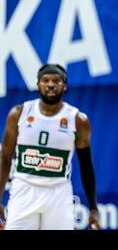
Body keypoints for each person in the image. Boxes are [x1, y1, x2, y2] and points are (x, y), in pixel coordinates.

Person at [0, 64, 99, 230]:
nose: (51, 84)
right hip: (24, 190)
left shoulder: (78, 120)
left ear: (65, 85)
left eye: (56, 80)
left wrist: (94, 207)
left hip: (58, 192)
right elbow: (4, 159)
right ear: (38, 85)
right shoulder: (19, 114)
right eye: (45, 80)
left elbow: (86, 166)